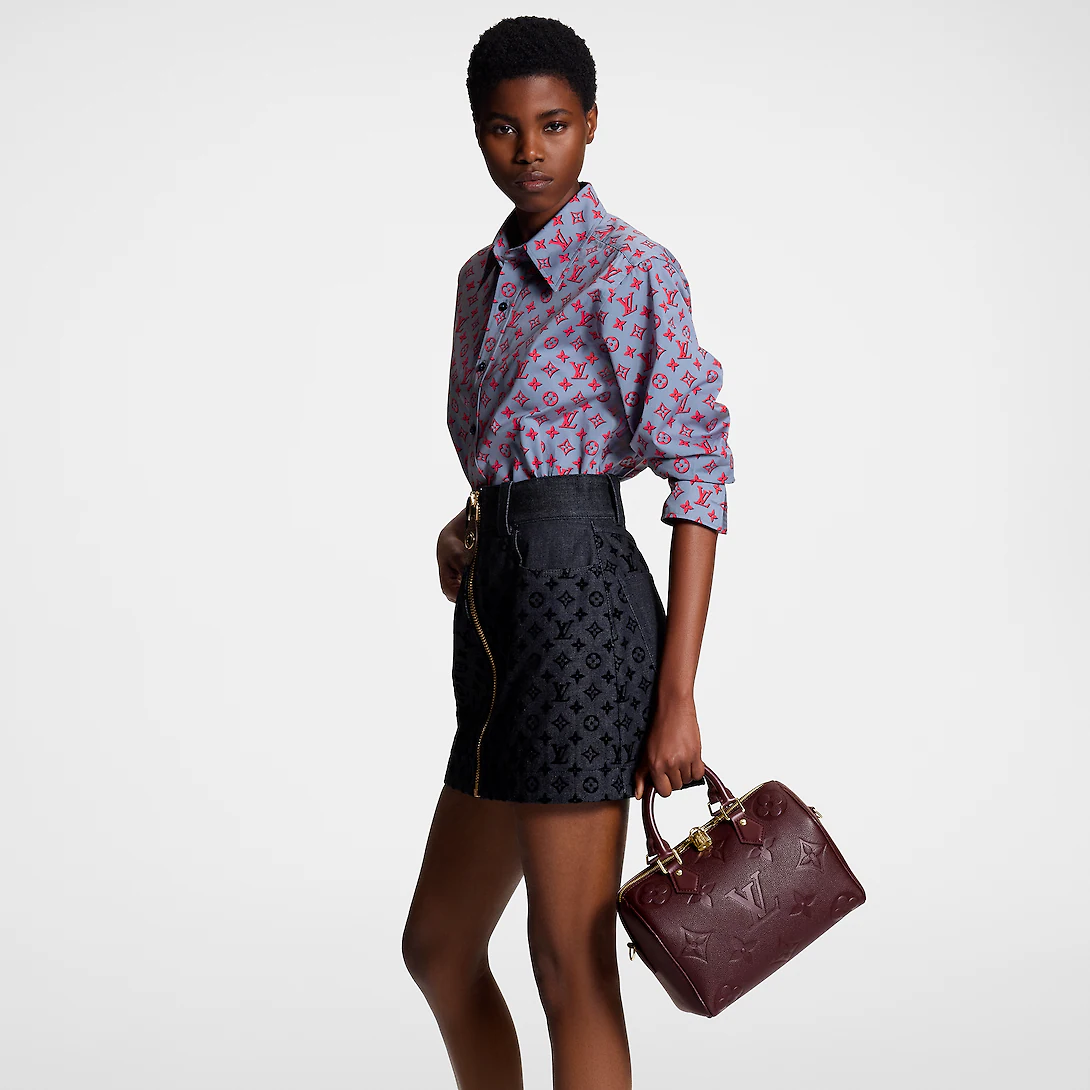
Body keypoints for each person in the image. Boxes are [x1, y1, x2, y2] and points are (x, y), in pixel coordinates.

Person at [402, 16, 734, 1089]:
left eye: (552, 124)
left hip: (582, 609)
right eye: (503, 129)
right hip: (496, 615)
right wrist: (467, 527)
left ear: (591, 123)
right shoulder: (478, 279)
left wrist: (676, 697)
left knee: (567, 957)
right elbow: (509, 452)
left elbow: (699, 475)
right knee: (438, 945)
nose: (529, 150)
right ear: (477, 134)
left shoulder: (632, 269)